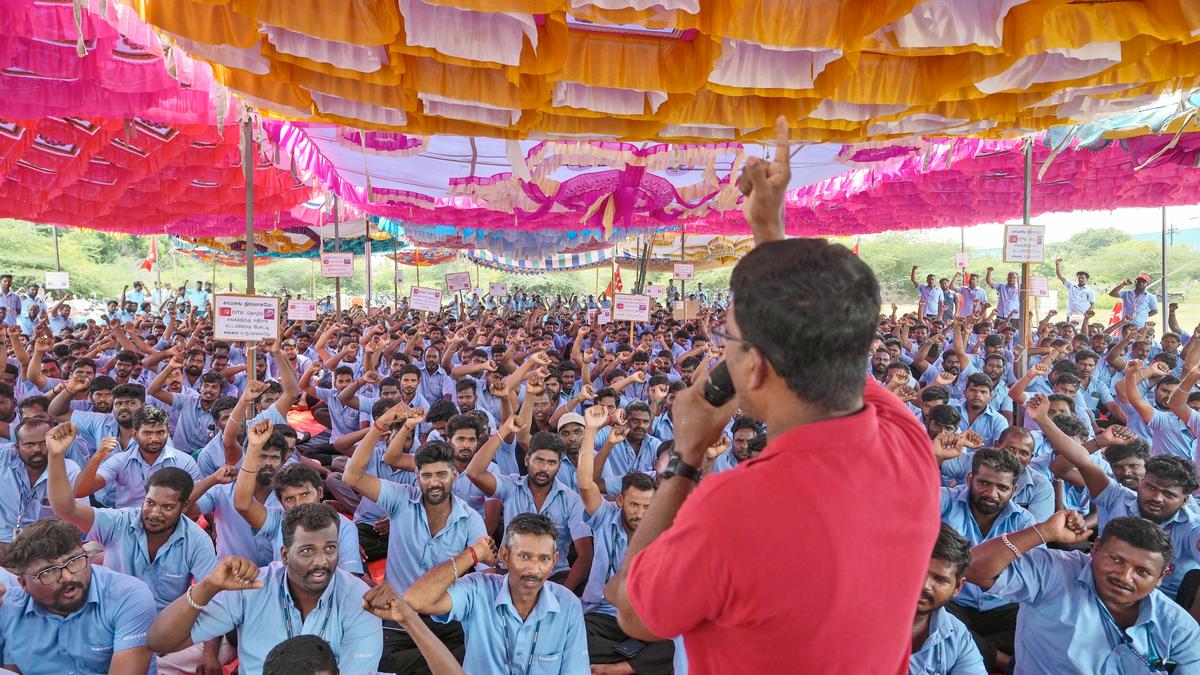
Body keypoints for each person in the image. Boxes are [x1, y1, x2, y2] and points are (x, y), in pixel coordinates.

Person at [603, 118, 940, 673]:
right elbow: (813, 323)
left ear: (753, 368)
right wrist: (768, 228)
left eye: (728, 341)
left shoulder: (730, 507)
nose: (724, 353)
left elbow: (633, 611)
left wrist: (686, 458)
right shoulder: (908, 445)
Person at [146, 503, 383, 674]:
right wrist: (208, 586)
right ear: (285, 555)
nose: (321, 561)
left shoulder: (358, 600)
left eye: (330, 549)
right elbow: (160, 641)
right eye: (307, 550)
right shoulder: (253, 586)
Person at [342, 403, 486, 673]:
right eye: (427, 475)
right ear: (417, 477)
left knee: (475, 653)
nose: (434, 482)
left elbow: (485, 574)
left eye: (441, 475)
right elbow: (352, 475)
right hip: (396, 616)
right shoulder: (401, 499)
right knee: (367, 657)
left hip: (446, 619)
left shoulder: (471, 520)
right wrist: (380, 425)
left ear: (454, 477)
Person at [965, 513, 1200, 674]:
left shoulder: (1180, 630)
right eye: (1116, 559)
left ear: (1162, 576)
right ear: (1095, 549)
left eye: (1142, 571)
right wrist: (1044, 531)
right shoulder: (1053, 572)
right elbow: (973, 568)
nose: (1124, 576)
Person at [403, 513, 590, 674]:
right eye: (524, 557)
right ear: (505, 557)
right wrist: (473, 553)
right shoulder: (478, 589)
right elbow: (415, 599)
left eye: (544, 559)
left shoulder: (568, 606)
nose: (534, 569)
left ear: (555, 561)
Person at [576, 403, 673, 674]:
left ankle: (619, 666)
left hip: (641, 618)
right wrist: (592, 430)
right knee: (574, 636)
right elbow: (585, 484)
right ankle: (632, 660)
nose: (640, 514)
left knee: (671, 644)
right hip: (600, 616)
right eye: (634, 505)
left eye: (646, 507)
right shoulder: (605, 516)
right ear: (620, 500)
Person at [0, 518, 157, 673]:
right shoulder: (9, 609)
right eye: (48, 571)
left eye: (74, 561)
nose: (68, 577)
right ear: (23, 584)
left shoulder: (127, 597)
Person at [910, 524, 986, 675]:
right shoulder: (862, 621)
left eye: (939, 579)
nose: (925, 585)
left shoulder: (957, 636)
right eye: (918, 571)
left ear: (958, 587)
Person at [1054, 259, 1096, 325]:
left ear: (1087, 279)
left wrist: (1087, 313)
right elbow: (1060, 277)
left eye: (1082, 278)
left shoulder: (1089, 290)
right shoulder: (1071, 285)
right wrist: (1057, 265)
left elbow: (1093, 304)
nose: (1080, 279)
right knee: (1069, 331)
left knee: (1083, 333)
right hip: (1070, 314)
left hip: (1083, 315)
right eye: (1079, 278)